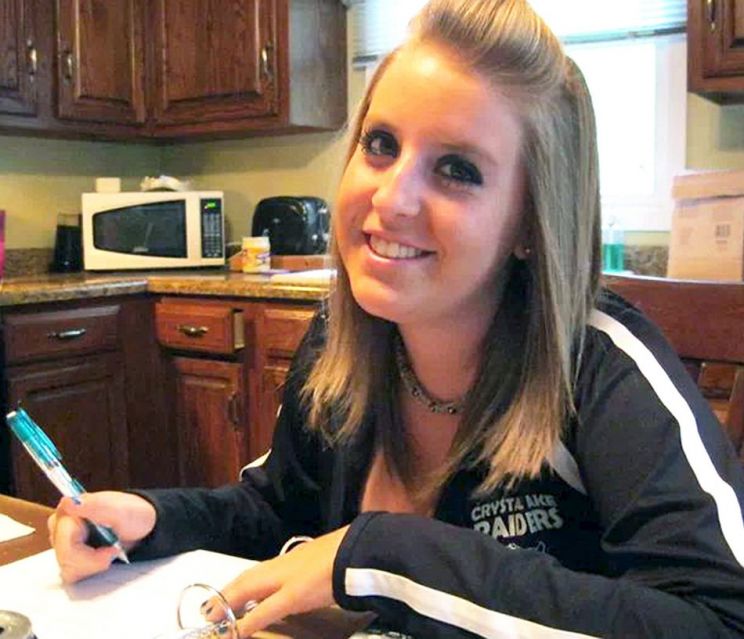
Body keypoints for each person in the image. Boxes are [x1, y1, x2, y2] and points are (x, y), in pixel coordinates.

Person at [48, 0, 744, 637]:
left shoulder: (599, 368)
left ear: (531, 224)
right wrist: (155, 519)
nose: (391, 197)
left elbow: (716, 619)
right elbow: (281, 511)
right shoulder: (338, 340)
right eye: (380, 144)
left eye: (457, 169)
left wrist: (385, 554)